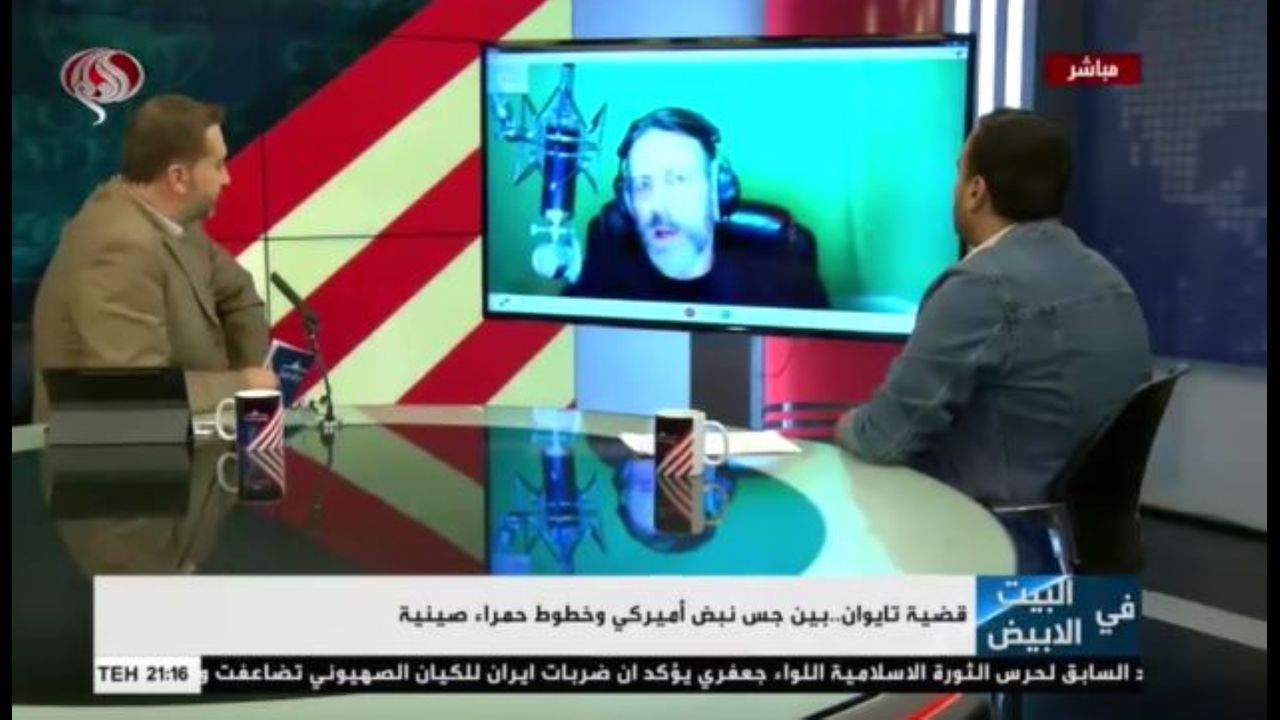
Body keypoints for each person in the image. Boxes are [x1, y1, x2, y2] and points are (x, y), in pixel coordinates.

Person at [835, 109, 1153, 506]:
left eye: (959, 172)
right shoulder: (1109, 279)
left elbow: (882, 440)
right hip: (1084, 524)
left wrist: (843, 425)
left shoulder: (978, 288)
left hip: (992, 524)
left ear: (976, 191)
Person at [32, 94, 276, 422]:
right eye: (218, 165)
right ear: (178, 178)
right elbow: (135, 392)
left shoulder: (177, 221)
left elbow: (239, 295)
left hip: (186, 432)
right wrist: (242, 385)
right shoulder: (117, 246)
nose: (227, 179)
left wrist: (255, 392)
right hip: (109, 446)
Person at [567, 107, 829, 308]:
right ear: (627, 203)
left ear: (717, 191)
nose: (658, 207)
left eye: (678, 179)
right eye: (643, 185)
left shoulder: (791, 287)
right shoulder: (596, 286)